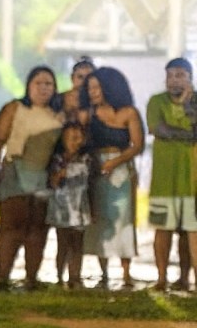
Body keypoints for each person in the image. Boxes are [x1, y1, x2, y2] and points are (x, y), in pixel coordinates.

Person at [0, 66, 62, 291]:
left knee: (38, 228)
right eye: (38, 83)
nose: (43, 88)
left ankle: (31, 278)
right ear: (28, 85)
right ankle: (3, 277)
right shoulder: (14, 108)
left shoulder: (58, 115)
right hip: (14, 171)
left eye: (48, 83)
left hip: (42, 175)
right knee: (11, 226)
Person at [79, 67, 144, 287]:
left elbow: (138, 145)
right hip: (96, 168)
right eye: (90, 88)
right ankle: (103, 271)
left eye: (97, 87)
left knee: (123, 219)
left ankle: (126, 272)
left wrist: (114, 162)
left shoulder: (129, 112)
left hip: (121, 168)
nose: (93, 92)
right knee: (99, 218)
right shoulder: (88, 114)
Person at [145, 58, 197, 291]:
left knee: (192, 230)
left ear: (190, 78)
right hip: (164, 178)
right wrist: (189, 134)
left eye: (180, 75)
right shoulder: (156, 101)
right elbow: (159, 129)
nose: (174, 80)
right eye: (170, 75)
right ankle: (161, 278)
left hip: (192, 178)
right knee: (162, 229)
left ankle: (189, 279)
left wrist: (188, 106)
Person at [46, 123, 93, 289]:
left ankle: (75, 276)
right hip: (62, 206)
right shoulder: (57, 159)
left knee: (77, 243)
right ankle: (59, 275)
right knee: (62, 242)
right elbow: (53, 180)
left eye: (79, 138)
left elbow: (88, 177)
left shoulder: (86, 158)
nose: (75, 142)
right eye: (71, 138)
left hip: (79, 205)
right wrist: (61, 172)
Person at [60, 57, 96, 121]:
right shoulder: (58, 99)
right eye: (80, 77)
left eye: (88, 78)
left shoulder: (98, 103)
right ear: (72, 78)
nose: (84, 81)